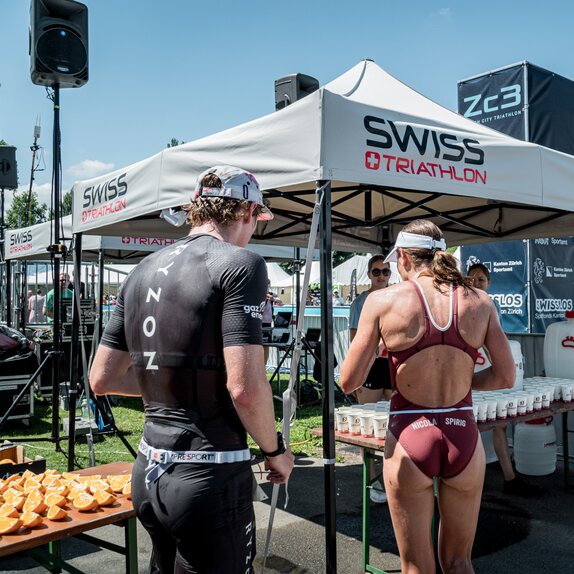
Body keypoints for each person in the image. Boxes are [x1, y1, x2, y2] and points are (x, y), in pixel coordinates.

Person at [89, 165, 293, 574]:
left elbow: (102, 379)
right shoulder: (242, 264)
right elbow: (245, 388)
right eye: (256, 220)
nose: (254, 230)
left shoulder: (141, 270)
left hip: (149, 473)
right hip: (208, 475)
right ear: (248, 211)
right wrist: (276, 452)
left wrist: (173, 384)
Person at [341, 220, 515, 573]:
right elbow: (505, 376)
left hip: (409, 432)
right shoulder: (480, 301)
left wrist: (379, 350)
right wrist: (463, 383)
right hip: (462, 432)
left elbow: (348, 382)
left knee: (416, 567)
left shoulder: (383, 301)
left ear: (403, 257)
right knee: (459, 562)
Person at [468, 263, 542, 498]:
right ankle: (472, 482)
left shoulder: (492, 305)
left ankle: (508, 477)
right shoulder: (463, 305)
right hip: (472, 373)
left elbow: (497, 341)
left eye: (481, 279)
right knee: (472, 425)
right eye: (471, 279)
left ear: (489, 282)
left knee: (499, 423)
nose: (476, 283)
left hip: (490, 374)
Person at [348, 255, 393, 503]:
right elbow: (354, 339)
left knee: (394, 423)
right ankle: (372, 481)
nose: (381, 276)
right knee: (369, 424)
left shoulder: (396, 296)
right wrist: (356, 373)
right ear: (369, 274)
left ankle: (390, 477)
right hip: (371, 367)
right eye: (376, 272)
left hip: (393, 366)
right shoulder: (361, 302)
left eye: (385, 272)